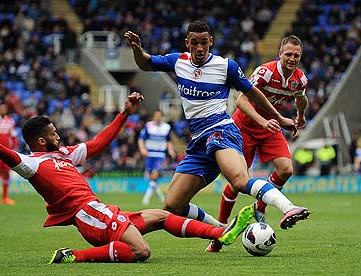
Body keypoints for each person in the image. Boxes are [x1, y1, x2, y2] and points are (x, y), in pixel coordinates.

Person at [0, 92, 254, 263]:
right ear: (41, 140)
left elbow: (98, 143)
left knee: (161, 216)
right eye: (53, 133)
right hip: (88, 214)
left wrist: (124, 113)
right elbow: (0, 151)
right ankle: (73, 257)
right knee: (142, 252)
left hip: (98, 211)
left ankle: (221, 233)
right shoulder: (33, 163)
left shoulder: (64, 154)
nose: (59, 135)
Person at [124, 21, 310, 246]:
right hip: (198, 142)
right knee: (172, 206)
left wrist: (279, 118)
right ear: (187, 43)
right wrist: (136, 50)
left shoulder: (226, 66)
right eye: (195, 43)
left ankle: (288, 208)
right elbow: (146, 63)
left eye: (204, 42)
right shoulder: (178, 61)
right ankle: (223, 228)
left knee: (240, 181)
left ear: (211, 42)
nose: (200, 48)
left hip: (221, 130)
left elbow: (252, 93)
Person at [208, 35, 311, 252]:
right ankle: (219, 233)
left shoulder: (299, 79)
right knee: (237, 182)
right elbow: (241, 101)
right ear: (280, 54)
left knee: (286, 169)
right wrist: (263, 121)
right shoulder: (265, 72)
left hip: (269, 127)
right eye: (288, 54)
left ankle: (259, 207)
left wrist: (300, 114)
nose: (292, 59)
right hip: (243, 128)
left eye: (296, 55)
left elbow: (300, 97)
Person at [138, 109, 176, 205]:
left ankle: (146, 198)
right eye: (156, 116)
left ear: (161, 117)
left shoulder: (166, 127)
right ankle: (162, 198)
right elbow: (141, 139)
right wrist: (142, 149)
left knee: (155, 174)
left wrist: (170, 149)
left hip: (160, 155)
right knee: (152, 178)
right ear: (154, 116)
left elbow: (168, 140)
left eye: (159, 116)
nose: (158, 117)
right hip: (149, 154)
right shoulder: (148, 126)